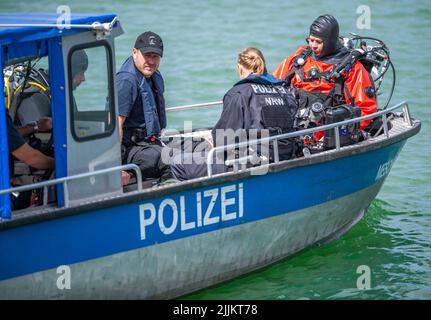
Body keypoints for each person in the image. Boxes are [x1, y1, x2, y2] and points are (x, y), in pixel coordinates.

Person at [171, 47, 297, 181]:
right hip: (284, 154)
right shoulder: (285, 92)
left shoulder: (239, 93)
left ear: (240, 68)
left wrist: (210, 141)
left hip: (251, 161)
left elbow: (224, 140)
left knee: (179, 162)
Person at [273, 14, 376, 133]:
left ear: (330, 42)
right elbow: (273, 82)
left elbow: (365, 109)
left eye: (318, 42)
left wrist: (339, 134)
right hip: (291, 126)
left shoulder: (351, 68)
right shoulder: (301, 57)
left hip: (328, 136)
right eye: (310, 40)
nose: (313, 46)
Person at [116, 31, 173, 183]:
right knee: (168, 159)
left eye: (156, 56)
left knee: (197, 147)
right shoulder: (126, 81)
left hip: (150, 142)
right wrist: (115, 167)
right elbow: (116, 124)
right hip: (130, 148)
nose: (152, 61)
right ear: (135, 52)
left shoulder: (153, 75)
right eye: (147, 55)